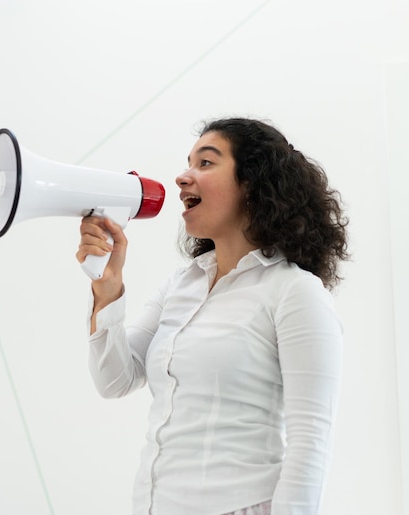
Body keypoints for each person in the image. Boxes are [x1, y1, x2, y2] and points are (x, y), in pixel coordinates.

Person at [76, 117, 349, 515]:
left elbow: (311, 445)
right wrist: (107, 286)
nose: (183, 177)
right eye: (188, 163)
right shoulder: (180, 285)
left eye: (205, 163)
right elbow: (114, 379)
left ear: (253, 183)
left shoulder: (294, 292)